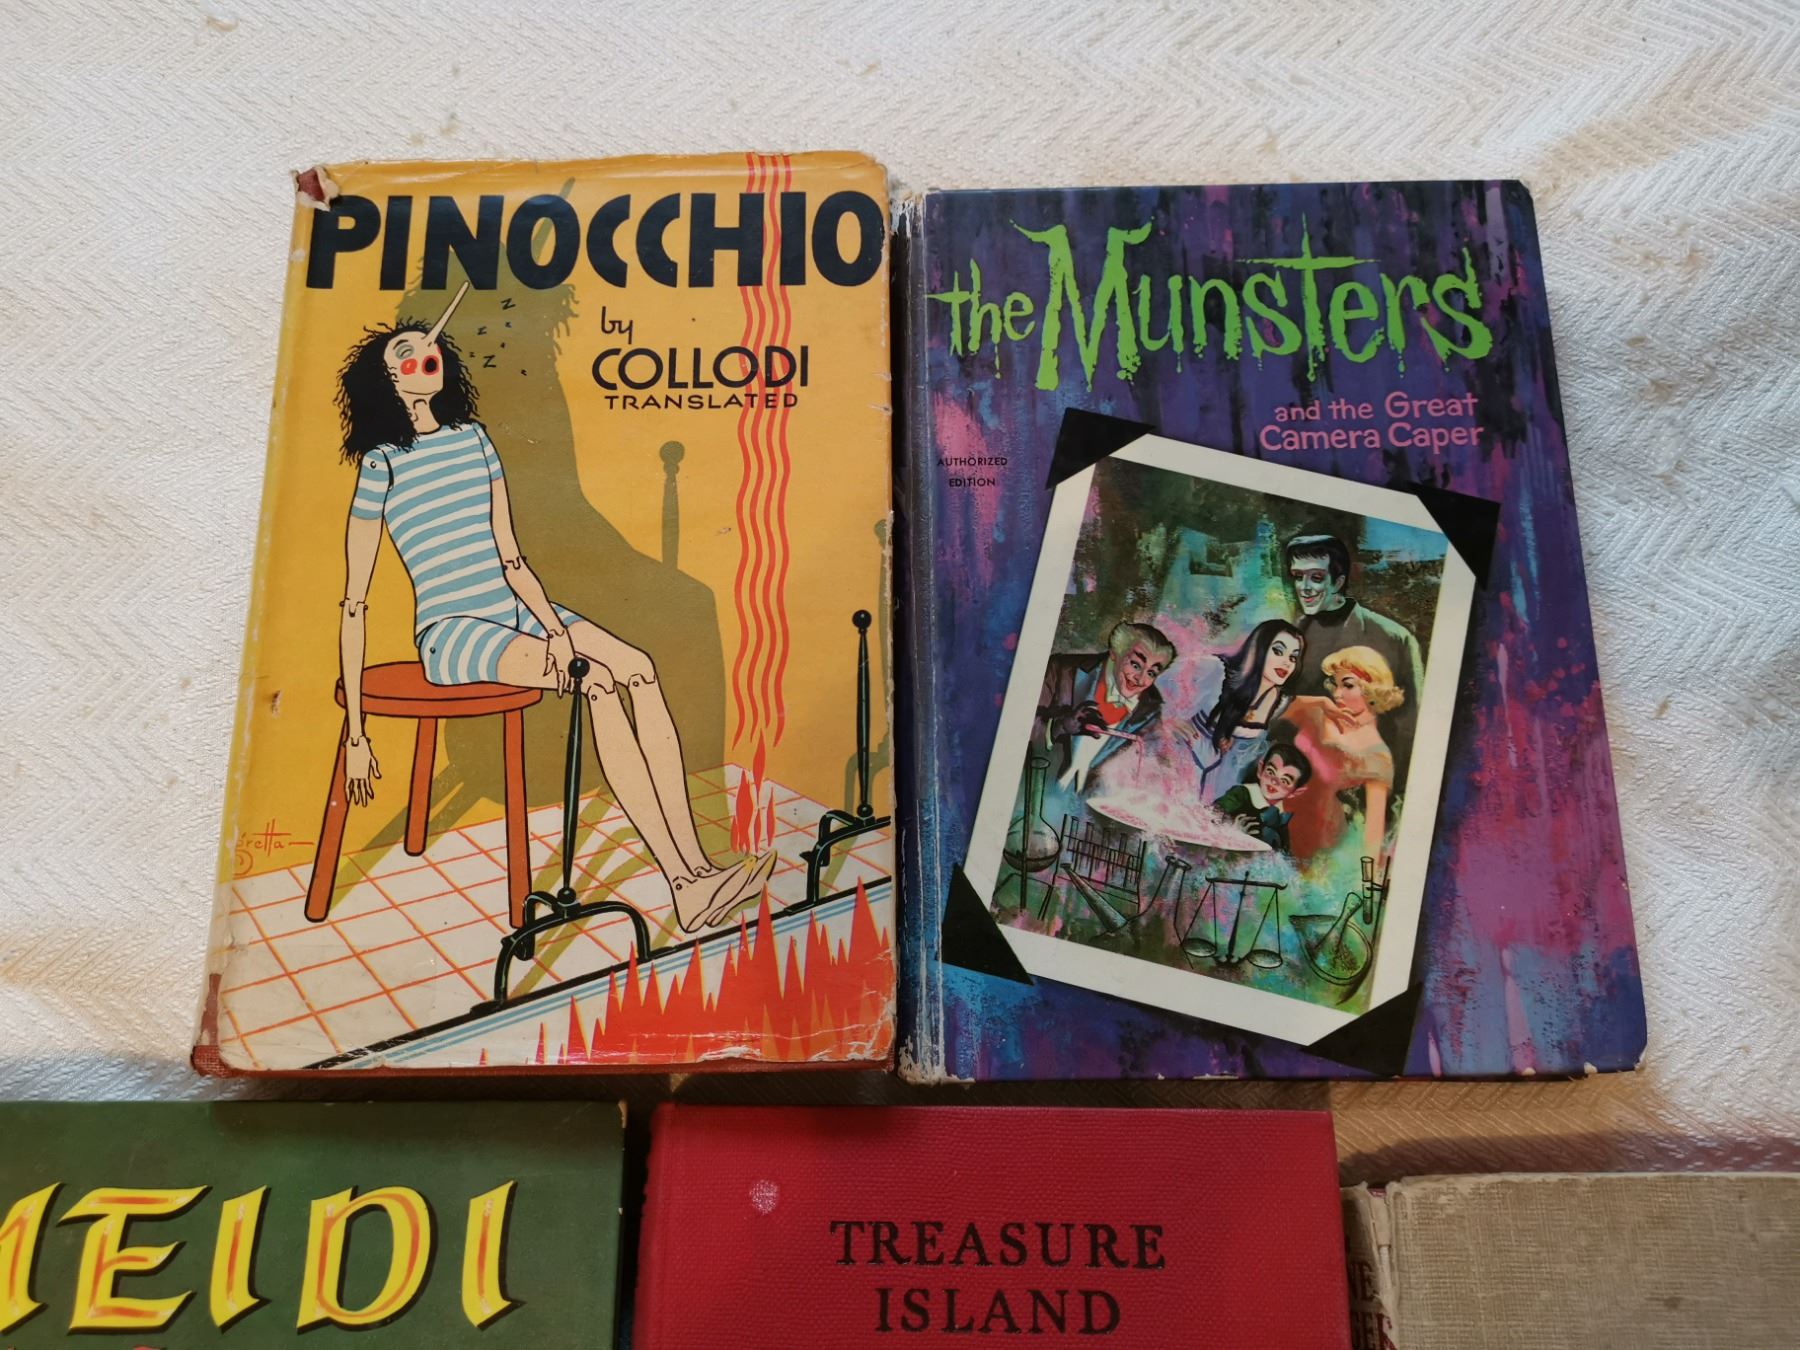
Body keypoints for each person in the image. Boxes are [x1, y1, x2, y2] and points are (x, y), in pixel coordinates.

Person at [333, 293, 773, 935]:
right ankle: (683, 886)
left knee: (639, 667)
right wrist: (356, 735)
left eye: (428, 344)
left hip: (515, 607)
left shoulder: (474, 440)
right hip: (453, 633)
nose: (424, 351)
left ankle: (701, 869)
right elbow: (355, 602)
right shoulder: (381, 464)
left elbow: (511, 558)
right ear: (386, 380)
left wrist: (556, 627)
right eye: (405, 351)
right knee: (597, 682)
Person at [1283, 532, 1423, 782]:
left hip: (1364, 781)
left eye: (1316, 577)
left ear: (1338, 582)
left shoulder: (1393, 638)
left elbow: (1410, 726)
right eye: (1298, 576)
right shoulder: (1289, 637)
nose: (1304, 587)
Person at [1280, 645, 1404, 863]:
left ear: (1372, 689)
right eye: (1335, 685)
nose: (1337, 694)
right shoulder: (1318, 713)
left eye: (1348, 685)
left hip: (1318, 850)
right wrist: (1319, 702)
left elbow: (1373, 837)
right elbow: (1266, 709)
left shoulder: (1378, 756)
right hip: (1273, 823)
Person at [1035, 621, 1176, 793]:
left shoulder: (1150, 711)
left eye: (1151, 673)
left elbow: (1153, 766)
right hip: (1032, 790)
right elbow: (1018, 726)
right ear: (1115, 653)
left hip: (1083, 806)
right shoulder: (1061, 670)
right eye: (1135, 665)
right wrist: (1059, 727)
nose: (1140, 679)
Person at [1176, 618, 1306, 797]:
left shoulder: (1279, 701)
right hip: (1177, 755)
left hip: (1213, 777)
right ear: (1258, 648)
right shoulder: (1215, 671)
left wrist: (1228, 742)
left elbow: (1240, 754)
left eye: (1293, 657)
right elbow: (1163, 690)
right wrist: (1171, 722)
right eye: (1278, 651)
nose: (1287, 663)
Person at [1212, 742, 1313, 853]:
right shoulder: (1241, 794)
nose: (1274, 781)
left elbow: (1282, 850)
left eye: (1285, 780)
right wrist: (1232, 829)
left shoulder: (1279, 817)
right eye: (1271, 772)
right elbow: (1212, 814)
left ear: (1295, 792)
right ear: (1260, 770)